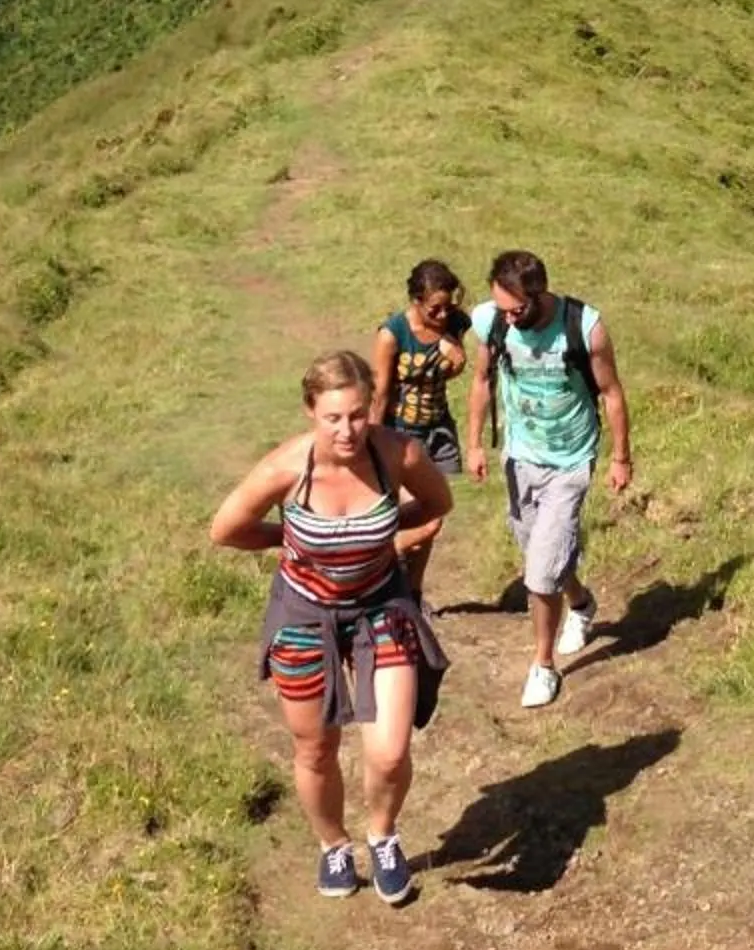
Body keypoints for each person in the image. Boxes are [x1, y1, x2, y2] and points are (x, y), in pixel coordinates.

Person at [209, 349, 452, 905]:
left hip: (381, 606)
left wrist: (383, 533)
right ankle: (334, 845)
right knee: (315, 747)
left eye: (358, 414)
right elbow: (226, 529)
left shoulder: (399, 454)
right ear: (310, 412)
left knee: (389, 750)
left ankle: (383, 835)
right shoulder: (286, 469)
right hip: (304, 613)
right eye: (333, 418)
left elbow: (439, 503)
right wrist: (288, 539)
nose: (348, 430)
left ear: (372, 408)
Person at [465, 250, 634, 710]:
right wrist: (476, 443)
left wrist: (621, 457)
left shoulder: (585, 327)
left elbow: (612, 392)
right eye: (503, 310)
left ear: (539, 294)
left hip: (570, 460)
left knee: (539, 573)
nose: (510, 319)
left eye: (518, 310)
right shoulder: (492, 323)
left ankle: (543, 666)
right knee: (543, 554)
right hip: (519, 458)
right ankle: (581, 604)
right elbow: (481, 379)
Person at [369, 259, 470, 497]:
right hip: (402, 432)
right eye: (434, 308)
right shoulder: (392, 335)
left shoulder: (455, 322)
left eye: (447, 306)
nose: (443, 314)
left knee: (440, 506)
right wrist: (372, 443)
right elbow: (379, 394)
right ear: (416, 301)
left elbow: (446, 373)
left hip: (440, 429)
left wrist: (458, 358)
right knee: (413, 511)